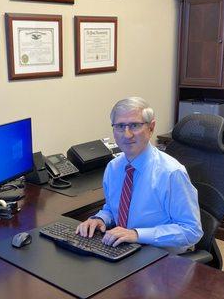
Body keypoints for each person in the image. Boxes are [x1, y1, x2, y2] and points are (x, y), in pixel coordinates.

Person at [76, 97, 203, 254]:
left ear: (151, 127)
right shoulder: (113, 167)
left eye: (135, 125)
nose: (127, 134)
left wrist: (137, 234)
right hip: (124, 248)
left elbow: (191, 231)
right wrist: (100, 219)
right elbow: (112, 208)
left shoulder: (171, 173)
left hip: (161, 254)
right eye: (120, 126)